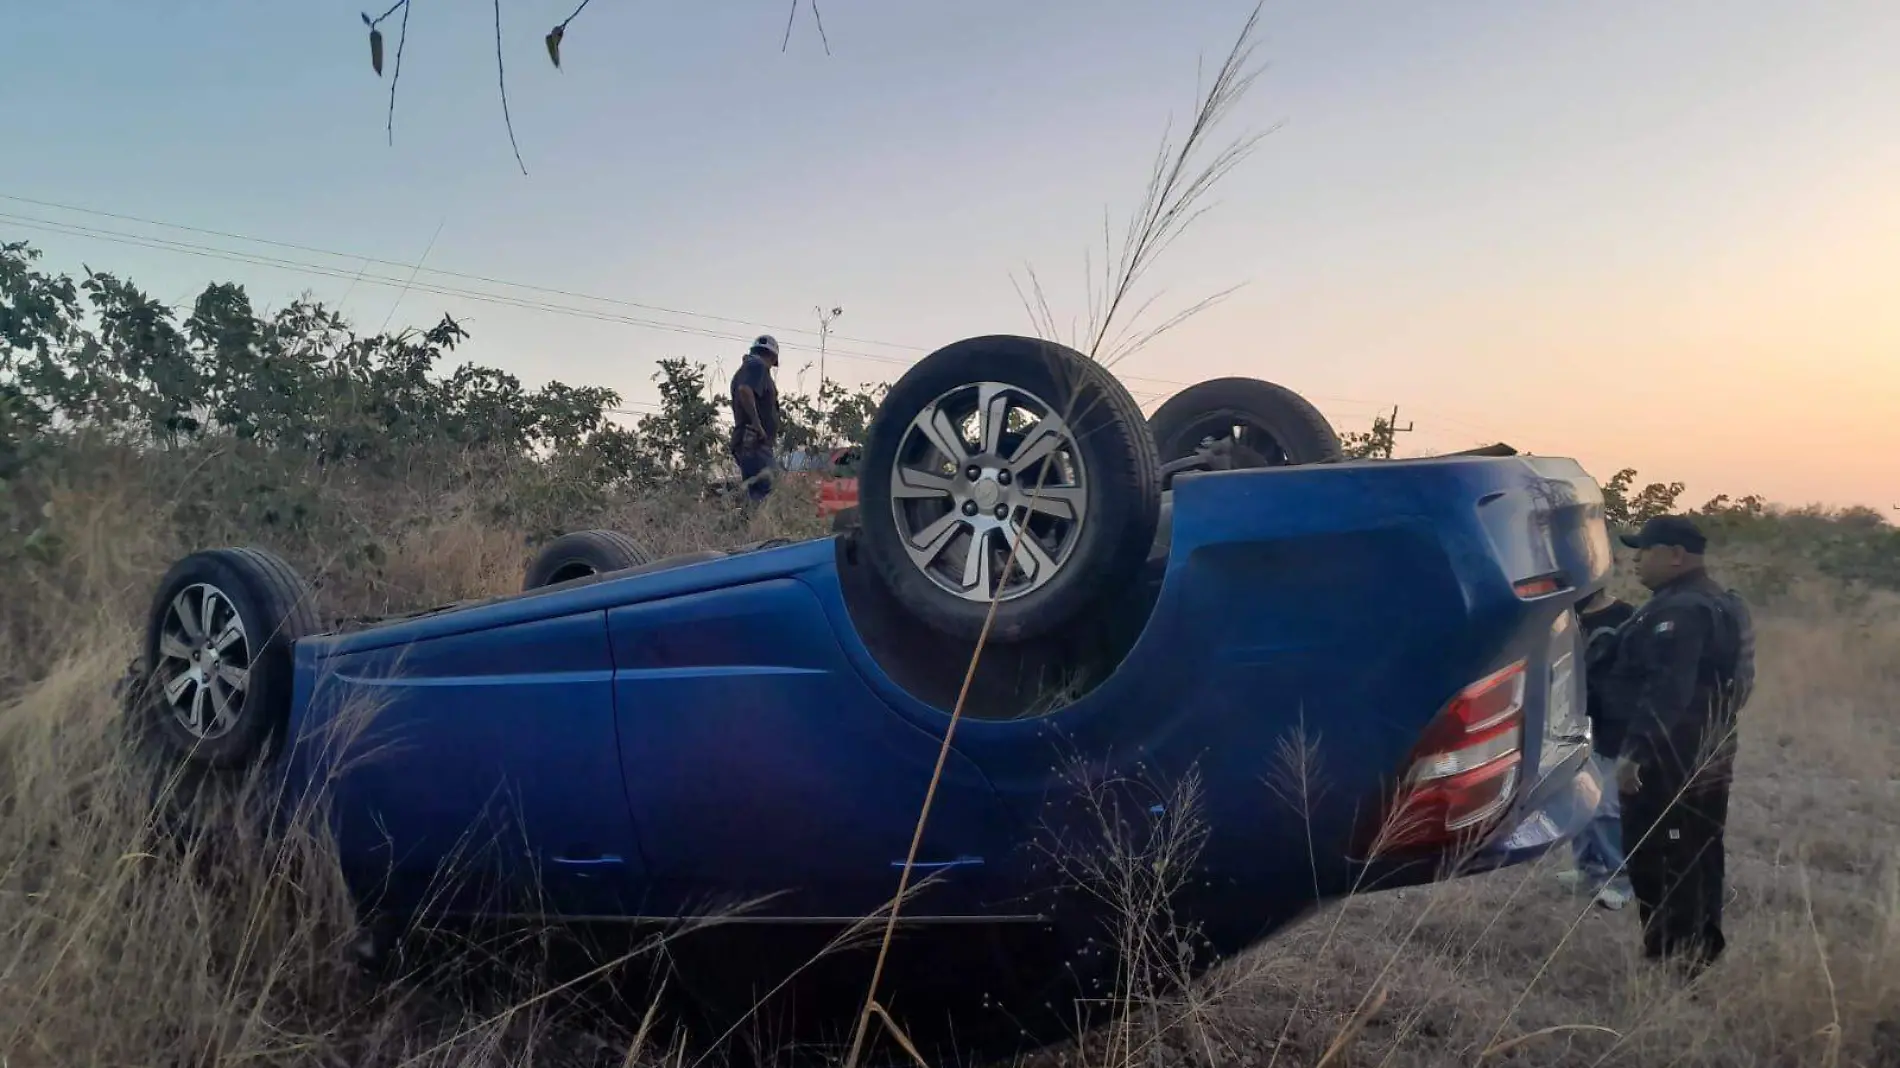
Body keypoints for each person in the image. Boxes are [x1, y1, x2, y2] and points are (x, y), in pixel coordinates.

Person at [1605, 514, 1755, 979]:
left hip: (1670, 758)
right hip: (1711, 746)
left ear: (1675, 555)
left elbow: (1668, 690)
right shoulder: (1726, 604)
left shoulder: (1679, 612)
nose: (1635, 560)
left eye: (1644, 551)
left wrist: (1637, 753)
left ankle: (1671, 958)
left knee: (1661, 852)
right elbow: (1743, 684)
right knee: (1700, 848)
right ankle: (1698, 952)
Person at [1558, 588, 1638, 910]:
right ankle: (1588, 869)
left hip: (1609, 727)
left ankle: (1621, 879)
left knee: (1605, 806)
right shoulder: (1564, 616)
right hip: (1574, 719)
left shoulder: (1625, 618)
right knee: (1576, 798)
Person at [729, 334, 781, 503]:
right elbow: (745, 390)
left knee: (756, 493)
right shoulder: (756, 365)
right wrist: (758, 425)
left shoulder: (747, 368)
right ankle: (753, 527)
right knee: (768, 491)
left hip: (750, 441)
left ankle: (747, 526)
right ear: (772, 357)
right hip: (754, 440)